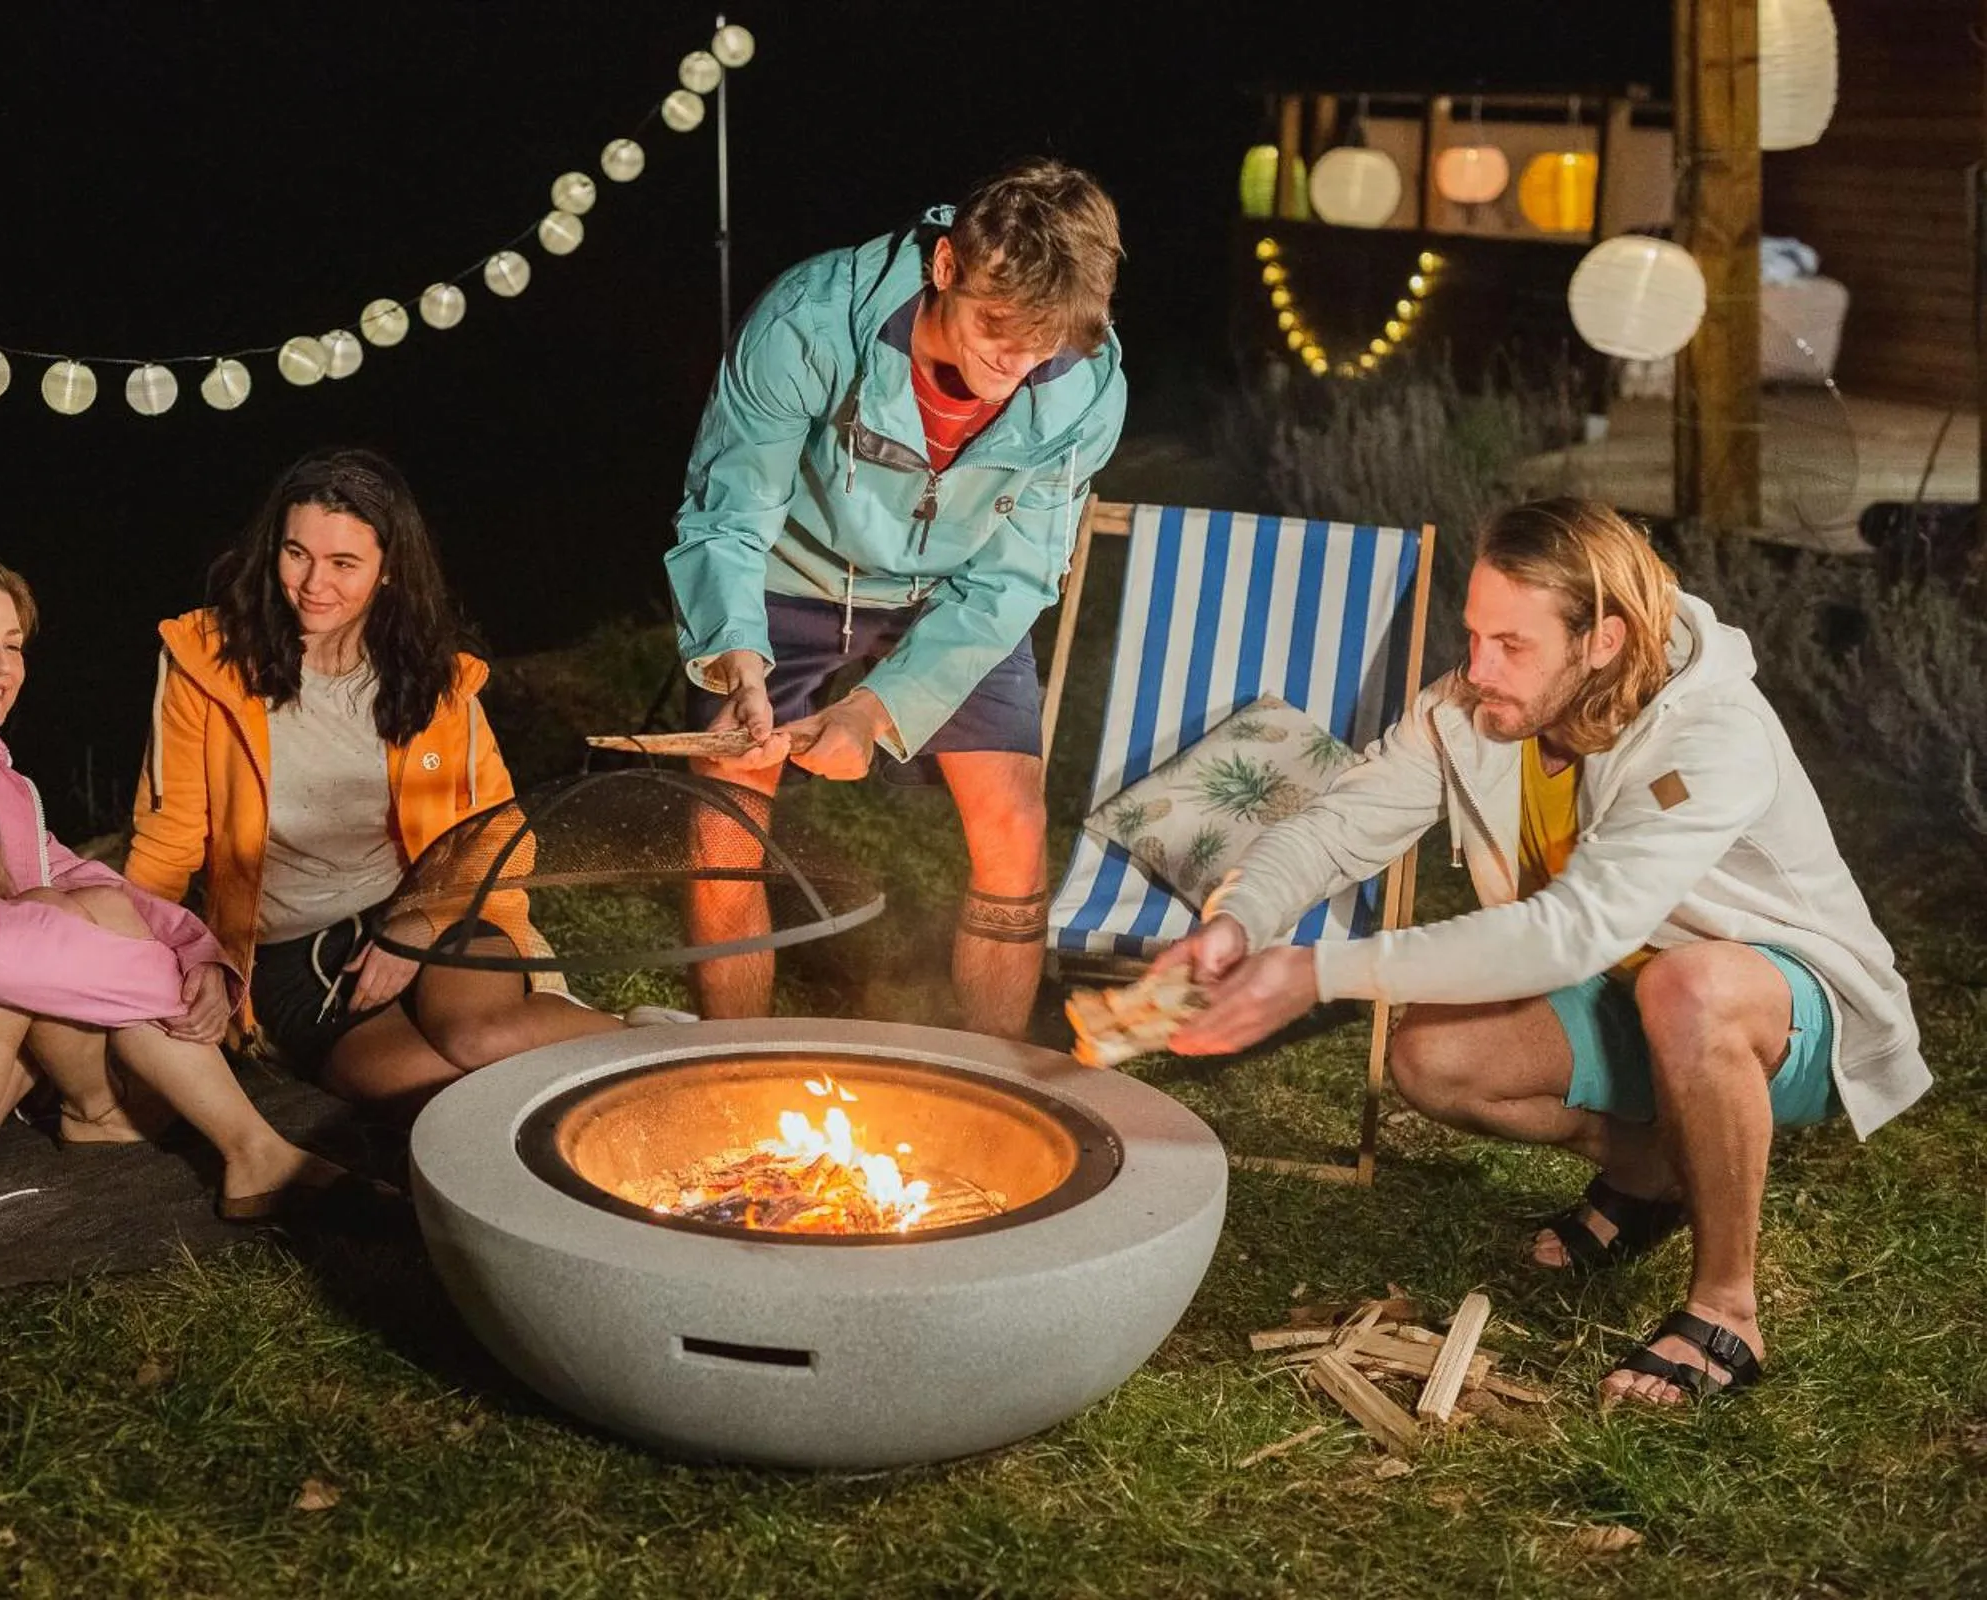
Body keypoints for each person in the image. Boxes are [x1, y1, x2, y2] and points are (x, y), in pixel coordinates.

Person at [1157, 498, 1928, 1405]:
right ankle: (1654, 1173)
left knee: (1690, 987)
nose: (1477, 669)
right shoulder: (1474, 710)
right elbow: (1336, 828)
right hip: (1621, 989)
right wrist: (1239, 920)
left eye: (1512, 645)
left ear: (1603, 640)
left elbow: (1574, 929)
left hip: (1787, 1012)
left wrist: (1320, 973)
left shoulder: (1714, 735)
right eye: (1475, 635)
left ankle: (1726, 1310)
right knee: (1433, 1055)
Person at [0, 549, 365, 1221]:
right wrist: (163, 986)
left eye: (12, 644)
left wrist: (194, 951)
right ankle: (238, 1143)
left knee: (84, 902)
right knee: (36, 924)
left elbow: (68, 873)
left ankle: (121, 1117)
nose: (1, 664)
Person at [666, 156, 1127, 1039]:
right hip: (790, 572)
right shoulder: (811, 322)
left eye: (1046, 343)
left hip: (954, 590)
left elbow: (1014, 578)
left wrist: (874, 713)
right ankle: (728, 1065)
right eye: (999, 327)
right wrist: (735, 655)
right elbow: (729, 513)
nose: (1018, 362)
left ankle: (992, 1080)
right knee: (727, 818)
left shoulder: (1086, 388)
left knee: (1014, 820)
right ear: (947, 265)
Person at [126, 447, 625, 1109]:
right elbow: (167, 846)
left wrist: (419, 922)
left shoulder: (434, 681)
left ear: (389, 569)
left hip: (432, 910)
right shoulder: (208, 665)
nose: (313, 584)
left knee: (480, 1038)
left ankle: (673, 1043)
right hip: (293, 951)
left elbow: (495, 833)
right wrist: (184, 956)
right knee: (440, 1093)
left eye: (343, 563)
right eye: (296, 553)